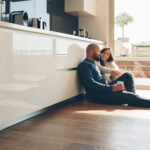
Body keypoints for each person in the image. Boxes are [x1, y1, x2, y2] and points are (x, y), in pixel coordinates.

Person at [78, 43, 150, 107]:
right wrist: (112, 88)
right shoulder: (85, 65)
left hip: (106, 88)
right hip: (100, 95)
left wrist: (111, 86)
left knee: (128, 75)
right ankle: (133, 99)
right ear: (91, 51)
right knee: (131, 97)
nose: (100, 53)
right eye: (98, 51)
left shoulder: (93, 63)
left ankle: (133, 99)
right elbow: (91, 84)